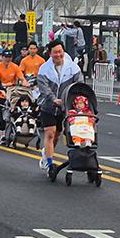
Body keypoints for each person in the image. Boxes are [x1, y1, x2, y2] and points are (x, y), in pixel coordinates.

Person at [37, 40, 82, 174]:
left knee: (57, 135)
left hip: (65, 107)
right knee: (50, 133)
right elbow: (44, 88)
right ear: (50, 53)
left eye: (60, 52)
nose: (58, 55)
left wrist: (75, 100)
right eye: (55, 52)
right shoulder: (44, 69)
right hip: (48, 106)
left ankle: (46, 152)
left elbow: (79, 84)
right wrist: (53, 99)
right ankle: (50, 164)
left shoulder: (73, 68)